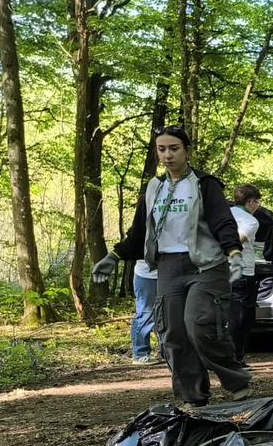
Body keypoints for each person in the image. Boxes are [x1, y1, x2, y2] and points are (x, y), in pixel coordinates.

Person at [93, 126, 251, 408]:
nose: (167, 155)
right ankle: (194, 396)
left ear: (187, 151)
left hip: (205, 264)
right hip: (167, 266)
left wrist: (234, 252)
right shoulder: (154, 188)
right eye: (162, 149)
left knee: (199, 324)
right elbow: (140, 230)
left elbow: (222, 221)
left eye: (174, 148)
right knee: (173, 332)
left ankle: (236, 380)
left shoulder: (204, 184)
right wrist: (114, 256)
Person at [228, 188, 261, 365]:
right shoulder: (251, 221)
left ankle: (231, 357)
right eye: (257, 202)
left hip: (223, 268)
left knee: (228, 314)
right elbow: (236, 241)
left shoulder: (225, 214)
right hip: (243, 271)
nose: (257, 206)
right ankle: (235, 357)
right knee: (240, 317)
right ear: (249, 202)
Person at [130, 254, 160, 364]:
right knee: (146, 313)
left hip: (166, 274)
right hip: (146, 276)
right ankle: (140, 354)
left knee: (164, 314)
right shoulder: (141, 236)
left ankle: (166, 351)